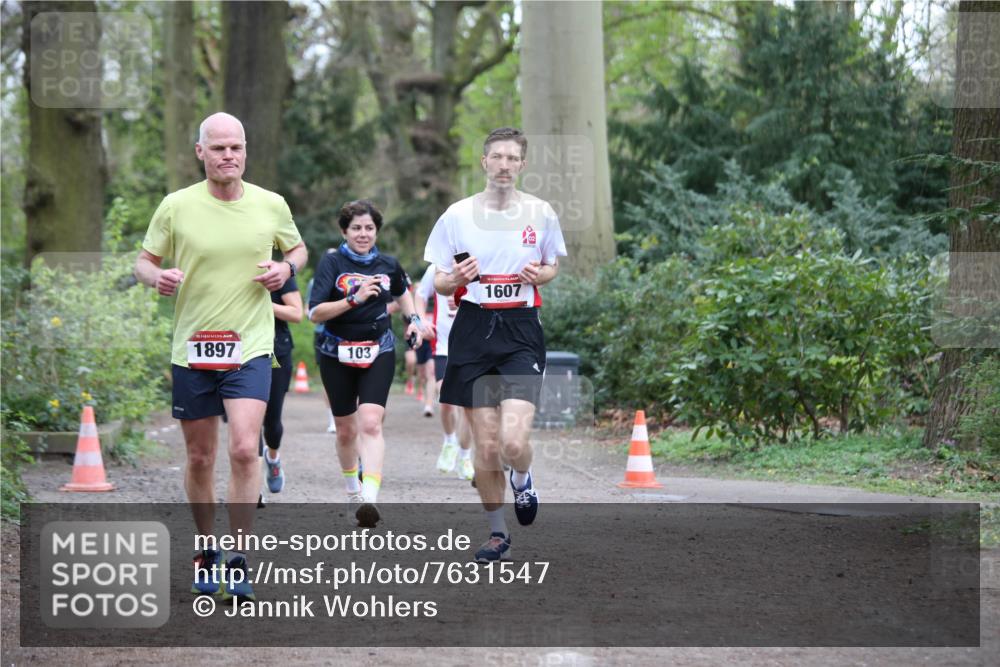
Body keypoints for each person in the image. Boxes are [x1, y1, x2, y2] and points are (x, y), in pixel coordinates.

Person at [134, 112, 307, 601]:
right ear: (200, 152)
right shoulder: (176, 206)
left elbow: (298, 250)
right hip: (193, 348)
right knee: (200, 455)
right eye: (218, 148)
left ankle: (238, 557)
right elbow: (143, 262)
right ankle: (206, 549)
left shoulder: (270, 204)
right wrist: (157, 278)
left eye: (235, 147)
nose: (228, 155)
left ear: (245, 151)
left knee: (243, 448)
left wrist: (283, 267)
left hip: (251, 345)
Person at [424, 126, 566, 563]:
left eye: (512, 158)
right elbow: (441, 283)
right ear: (484, 162)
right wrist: (457, 279)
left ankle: (523, 479)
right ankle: (497, 532)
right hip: (472, 328)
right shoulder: (457, 215)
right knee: (485, 447)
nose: (504, 165)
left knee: (512, 440)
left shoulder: (540, 212)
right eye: (496, 157)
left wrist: (542, 275)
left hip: (520, 330)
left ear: (522, 165)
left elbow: (552, 265)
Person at [309, 199, 423, 528]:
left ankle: (369, 498)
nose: (363, 234)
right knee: (346, 430)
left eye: (369, 228)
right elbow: (314, 313)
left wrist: (413, 319)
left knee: (371, 422)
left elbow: (403, 292)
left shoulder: (388, 263)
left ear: (377, 231)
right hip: (336, 350)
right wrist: (353, 299)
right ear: (344, 231)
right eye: (356, 228)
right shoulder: (331, 264)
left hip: (379, 348)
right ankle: (352, 492)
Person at [415, 263, 473, 480]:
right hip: (444, 345)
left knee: (470, 406)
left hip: (474, 345)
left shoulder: (480, 259)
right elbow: (420, 296)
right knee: (446, 399)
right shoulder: (438, 267)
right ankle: (450, 442)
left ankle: (465, 457)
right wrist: (420, 321)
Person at [260, 274, 303, 494]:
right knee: (245, 421)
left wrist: (262, 304)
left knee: (271, 421)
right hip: (237, 349)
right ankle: (252, 484)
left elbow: (297, 313)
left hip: (275, 351)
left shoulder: (278, 273)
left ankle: (273, 458)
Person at [306, 273, 337, 434]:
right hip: (322, 333)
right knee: (328, 379)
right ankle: (332, 418)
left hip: (347, 333)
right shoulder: (315, 281)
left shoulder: (352, 278)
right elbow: (308, 309)